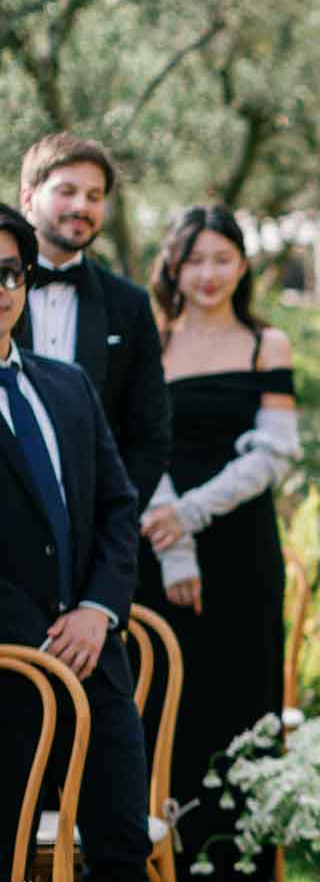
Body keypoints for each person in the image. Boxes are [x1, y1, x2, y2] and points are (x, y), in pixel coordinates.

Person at [0, 203, 199, 882]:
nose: (1, 289)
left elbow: (119, 510)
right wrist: (34, 633)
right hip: (7, 675)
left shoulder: (66, 386)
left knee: (118, 841)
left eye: (10, 273)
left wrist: (94, 611)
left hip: (96, 663)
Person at [137, 207, 298, 882]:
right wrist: (174, 545)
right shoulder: (151, 341)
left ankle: (234, 881)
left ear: (243, 266)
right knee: (164, 706)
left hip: (241, 553)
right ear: (174, 266)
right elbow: (140, 449)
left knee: (240, 703)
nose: (208, 274)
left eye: (222, 258)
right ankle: (156, 877)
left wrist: (194, 515)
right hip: (159, 547)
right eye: (194, 259)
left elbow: (273, 452)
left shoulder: (267, 343)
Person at [15, 133, 184, 581]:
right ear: (28, 198)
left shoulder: (128, 305)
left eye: (94, 196)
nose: (82, 207)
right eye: (67, 191)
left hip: (92, 550)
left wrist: (112, 516)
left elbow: (150, 434)